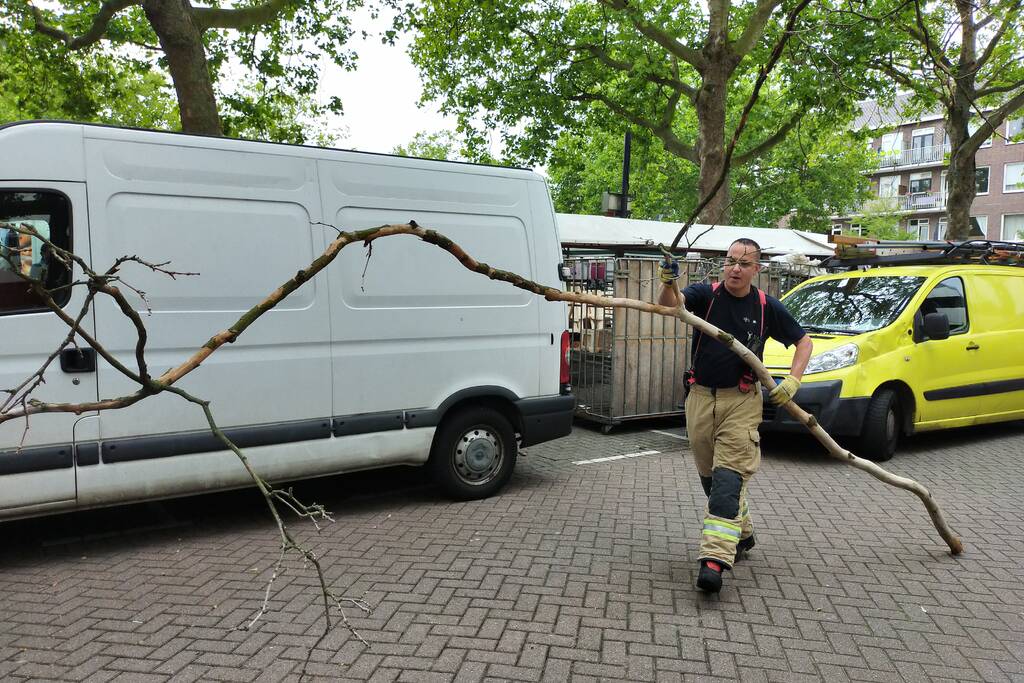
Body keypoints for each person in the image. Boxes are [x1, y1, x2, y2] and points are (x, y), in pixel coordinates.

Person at [658, 239, 812, 594]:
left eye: (744, 263)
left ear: (756, 270)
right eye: (730, 261)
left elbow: (804, 342)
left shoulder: (765, 307)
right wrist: (668, 281)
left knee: (728, 480)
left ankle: (714, 560)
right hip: (699, 399)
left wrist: (793, 380)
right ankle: (742, 533)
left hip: (741, 403)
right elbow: (669, 307)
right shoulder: (705, 295)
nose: (735, 268)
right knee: (712, 480)